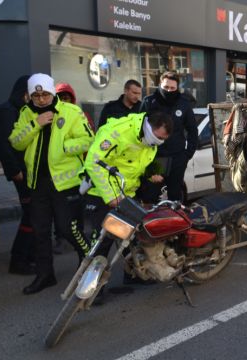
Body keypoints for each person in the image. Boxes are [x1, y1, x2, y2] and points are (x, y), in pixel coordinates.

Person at [9, 73, 94, 295]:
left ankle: (87, 264)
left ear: (52, 92)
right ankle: (45, 275)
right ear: (30, 95)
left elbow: (88, 139)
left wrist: (65, 147)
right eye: (36, 95)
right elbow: (16, 142)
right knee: (40, 231)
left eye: (45, 94)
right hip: (37, 183)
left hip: (66, 183)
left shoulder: (71, 111)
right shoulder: (26, 113)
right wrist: (35, 125)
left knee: (69, 229)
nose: (41, 99)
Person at [81, 111, 172, 283]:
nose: (159, 142)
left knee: (131, 238)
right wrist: (111, 196)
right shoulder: (119, 132)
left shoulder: (148, 139)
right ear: (149, 127)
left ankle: (134, 276)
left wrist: (150, 173)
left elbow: (134, 164)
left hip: (125, 194)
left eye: (163, 139)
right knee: (102, 243)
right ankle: (89, 289)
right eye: (158, 137)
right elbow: (93, 162)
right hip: (102, 192)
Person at [0, 75, 36, 275]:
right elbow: (0, 143)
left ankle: (28, 256)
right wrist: (14, 170)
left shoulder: (20, 110)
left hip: (29, 171)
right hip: (21, 172)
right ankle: (18, 261)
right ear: (24, 93)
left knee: (34, 213)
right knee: (30, 214)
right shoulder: (7, 111)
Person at [139, 71, 197, 202]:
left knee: (175, 196)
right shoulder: (149, 102)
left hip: (177, 157)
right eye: (166, 87)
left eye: (172, 88)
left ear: (177, 88)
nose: (169, 91)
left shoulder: (184, 104)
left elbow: (192, 130)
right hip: (156, 157)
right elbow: (139, 129)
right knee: (151, 195)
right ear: (160, 85)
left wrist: (187, 154)